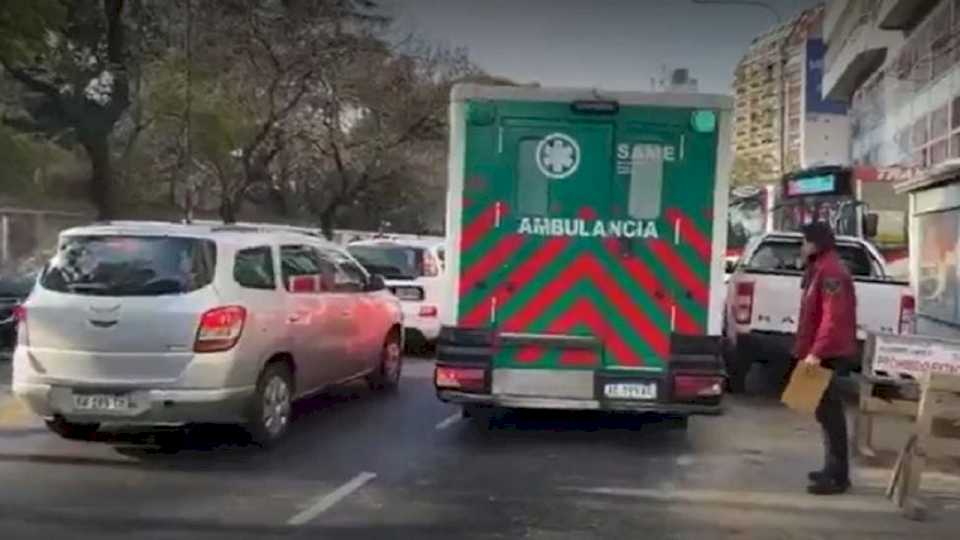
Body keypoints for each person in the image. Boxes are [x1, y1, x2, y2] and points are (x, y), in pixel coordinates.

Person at [793, 221, 858, 495]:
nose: (801, 246)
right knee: (823, 413)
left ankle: (838, 476)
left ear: (815, 243)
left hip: (828, 353)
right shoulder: (820, 268)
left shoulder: (830, 271)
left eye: (804, 241)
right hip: (820, 350)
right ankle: (831, 468)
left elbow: (833, 318)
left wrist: (815, 354)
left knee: (831, 416)